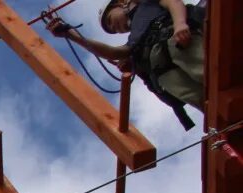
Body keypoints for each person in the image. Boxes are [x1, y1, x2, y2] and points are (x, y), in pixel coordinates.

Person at [47, 0, 206, 129]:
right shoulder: (134, 40)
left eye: (110, 20)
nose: (114, 28)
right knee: (205, 101)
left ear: (121, 3)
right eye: (111, 30)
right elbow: (113, 52)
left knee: (209, 74)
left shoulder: (148, 4)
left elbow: (173, 2)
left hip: (178, 42)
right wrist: (70, 34)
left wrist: (180, 24)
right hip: (165, 73)